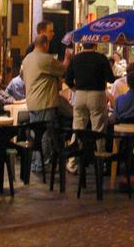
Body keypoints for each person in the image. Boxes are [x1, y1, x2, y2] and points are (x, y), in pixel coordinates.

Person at [21, 34, 66, 170]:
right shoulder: (46, 59)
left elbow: (23, 77)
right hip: (44, 102)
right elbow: (63, 69)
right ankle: (42, 163)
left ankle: (36, 163)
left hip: (32, 102)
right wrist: (68, 59)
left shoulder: (26, 59)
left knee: (35, 134)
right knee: (45, 134)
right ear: (45, 44)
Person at [65, 41, 115, 144]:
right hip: (97, 95)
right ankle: (99, 152)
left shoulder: (75, 58)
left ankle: (74, 152)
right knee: (98, 128)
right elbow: (111, 78)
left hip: (79, 95)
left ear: (82, 45)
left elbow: (68, 79)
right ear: (95, 45)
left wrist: (75, 89)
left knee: (77, 128)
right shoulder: (101, 58)